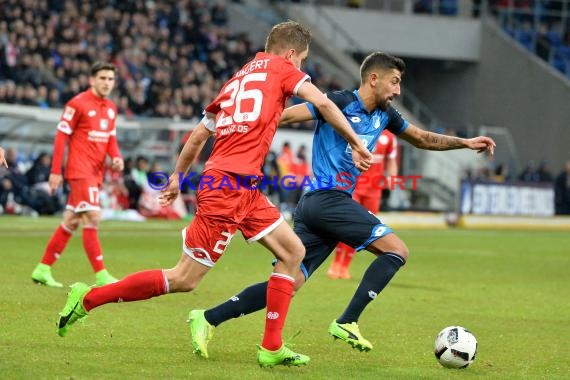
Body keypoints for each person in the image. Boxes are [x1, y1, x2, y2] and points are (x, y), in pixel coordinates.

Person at [55, 21, 372, 368]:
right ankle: (87, 298)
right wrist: (356, 142)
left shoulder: (236, 80)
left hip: (242, 186)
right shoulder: (283, 68)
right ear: (291, 53)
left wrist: (178, 175)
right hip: (226, 188)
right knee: (184, 279)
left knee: (293, 251)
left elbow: (197, 136)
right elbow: (324, 105)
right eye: (302, 61)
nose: (301, 69)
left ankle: (271, 346)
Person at [185, 52, 496, 357]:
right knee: (396, 250)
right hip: (325, 199)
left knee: (285, 284)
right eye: (394, 82)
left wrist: (465, 143)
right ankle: (347, 321)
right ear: (374, 79)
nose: (398, 91)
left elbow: (422, 138)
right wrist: (241, 129)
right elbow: (282, 116)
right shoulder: (339, 102)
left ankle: (208, 318)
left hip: (320, 206)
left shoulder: (386, 115)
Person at [31, 62, 124, 288]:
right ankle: (101, 274)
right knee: (92, 217)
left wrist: (117, 156)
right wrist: (55, 171)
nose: (106, 83)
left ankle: (42, 269)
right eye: (102, 78)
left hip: (96, 172)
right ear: (92, 80)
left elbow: (110, 138)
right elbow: (61, 137)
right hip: (80, 170)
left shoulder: (111, 107)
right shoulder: (77, 103)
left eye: (110, 79)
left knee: (71, 221)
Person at [327, 129, 398, 280]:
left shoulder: (389, 137)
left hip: (374, 191)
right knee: (347, 225)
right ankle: (335, 264)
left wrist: (392, 180)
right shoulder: (362, 129)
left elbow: (391, 159)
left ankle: (345, 266)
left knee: (363, 229)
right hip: (354, 187)